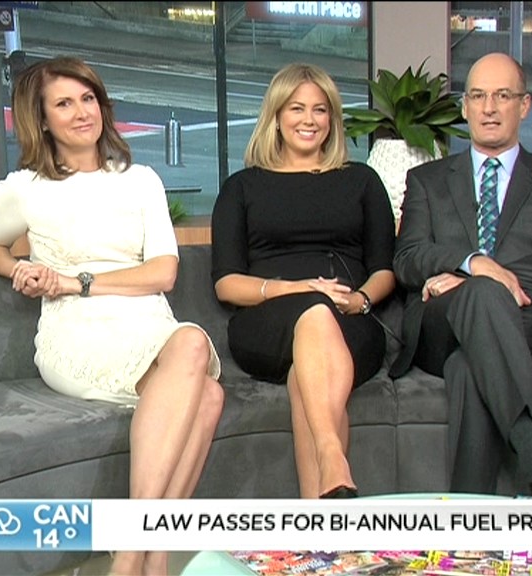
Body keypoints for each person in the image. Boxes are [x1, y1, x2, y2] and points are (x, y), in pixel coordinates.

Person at [0, 56, 224, 576]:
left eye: (88, 99)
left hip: (147, 323)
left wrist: (76, 280)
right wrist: (21, 269)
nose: (82, 112)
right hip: (76, 333)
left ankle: (141, 556)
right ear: (42, 120)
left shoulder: (141, 180)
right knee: (198, 363)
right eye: (64, 103)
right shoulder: (25, 189)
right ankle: (139, 556)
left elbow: (163, 273)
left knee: (209, 390)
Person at [390, 52, 532, 498]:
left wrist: (482, 278)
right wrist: (472, 262)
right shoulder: (427, 180)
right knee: (478, 302)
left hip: (527, 326)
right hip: (441, 326)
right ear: (465, 107)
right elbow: (408, 258)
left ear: (524, 105)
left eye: (502, 96)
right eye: (478, 96)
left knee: (469, 366)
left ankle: (468, 517)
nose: (489, 108)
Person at [211, 63, 395, 500]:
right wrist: (300, 289)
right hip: (267, 320)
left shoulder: (362, 181)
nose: (309, 119)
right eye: (296, 108)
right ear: (276, 116)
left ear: (332, 119)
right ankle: (333, 455)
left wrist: (360, 300)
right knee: (314, 313)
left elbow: (385, 270)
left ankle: (317, 523)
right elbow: (226, 283)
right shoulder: (241, 187)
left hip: (349, 321)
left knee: (306, 377)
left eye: (320, 109)